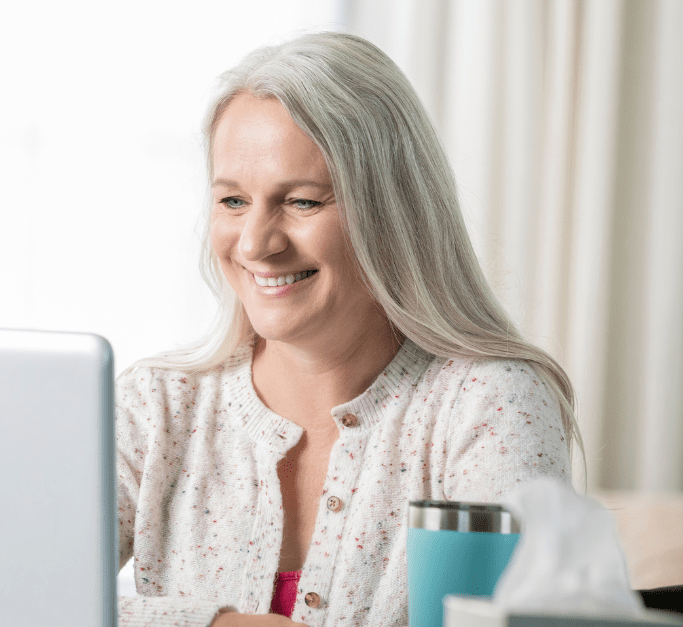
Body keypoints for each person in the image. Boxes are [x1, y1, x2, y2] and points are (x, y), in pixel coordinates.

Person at [115, 31, 579, 627]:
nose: (256, 243)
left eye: (302, 202)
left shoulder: (489, 404)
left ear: (394, 211)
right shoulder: (155, 407)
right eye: (232, 201)